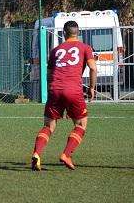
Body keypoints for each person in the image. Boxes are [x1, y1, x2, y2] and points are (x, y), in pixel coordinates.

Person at [31, 20, 97, 171]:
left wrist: (54, 92)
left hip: (55, 90)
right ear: (78, 33)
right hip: (73, 91)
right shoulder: (85, 47)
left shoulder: (56, 50)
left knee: (49, 126)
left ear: (64, 33)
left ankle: (37, 153)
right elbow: (93, 68)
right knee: (80, 125)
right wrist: (92, 88)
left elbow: (48, 75)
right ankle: (66, 154)